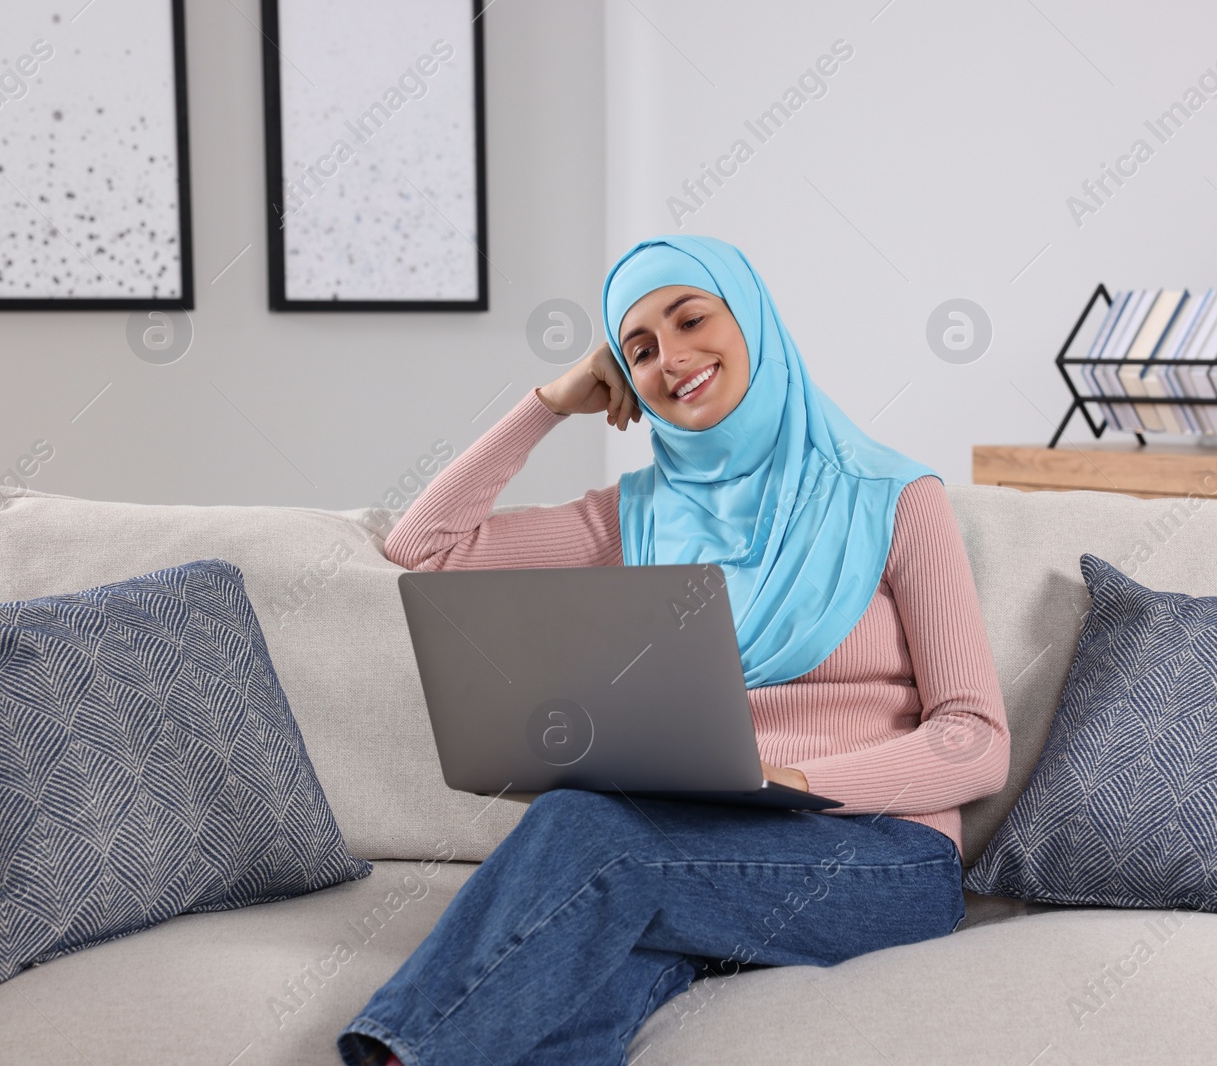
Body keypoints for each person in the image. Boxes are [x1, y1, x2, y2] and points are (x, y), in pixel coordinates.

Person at [335, 234, 1010, 1066]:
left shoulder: (897, 498)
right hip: (695, 843)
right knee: (586, 968)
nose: (672, 359)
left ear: (753, 321)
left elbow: (975, 739)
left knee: (594, 837)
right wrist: (548, 402)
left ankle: (394, 1057)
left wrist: (801, 782)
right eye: (639, 349)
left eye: (692, 319)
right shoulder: (634, 519)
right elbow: (426, 547)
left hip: (882, 858)